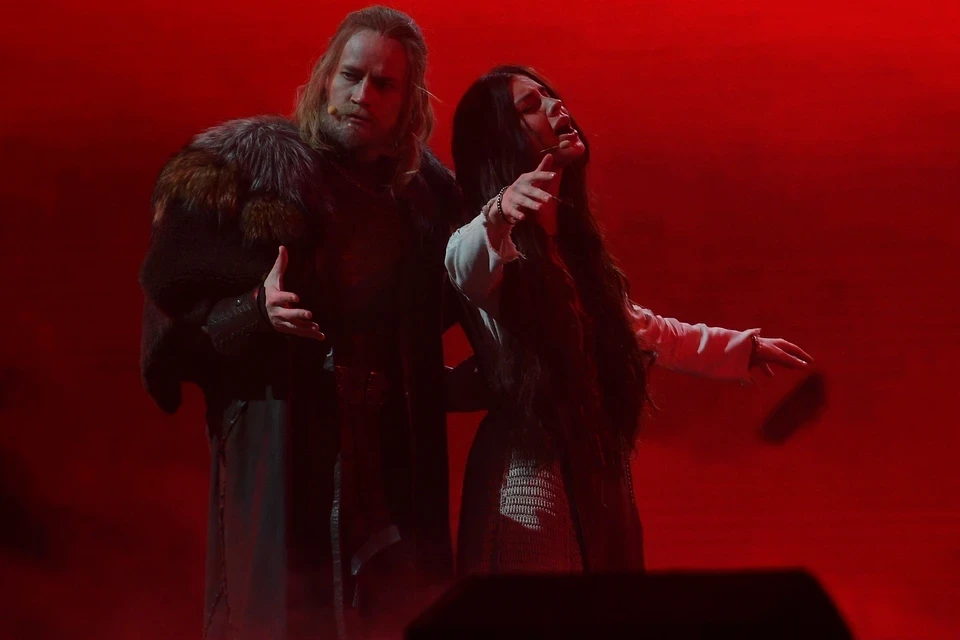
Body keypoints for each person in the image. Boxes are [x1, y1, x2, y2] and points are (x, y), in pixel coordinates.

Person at [139, 7, 465, 639]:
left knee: (394, 616)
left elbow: (456, 301)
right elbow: (170, 329)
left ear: (408, 103)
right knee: (282, 616)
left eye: (384, 84)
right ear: (325, 78)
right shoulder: (246, 173)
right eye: (351, 75)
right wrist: (252, 312)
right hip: (285, 449)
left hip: (390, 462)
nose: (362, 95)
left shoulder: (427, 201)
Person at [445, 66, 813, 575]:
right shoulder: (493, 251)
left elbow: (644, 330)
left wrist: (741, 347)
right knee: (537, 609)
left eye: (551, 96)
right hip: (528, 478)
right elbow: (464, 264)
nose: (556, 106)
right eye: (530, 106)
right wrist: (499, 211)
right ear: (500, 140)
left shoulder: (573, 253)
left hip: (596, 470)